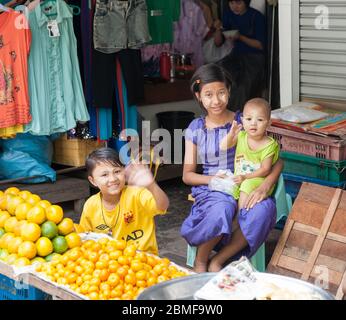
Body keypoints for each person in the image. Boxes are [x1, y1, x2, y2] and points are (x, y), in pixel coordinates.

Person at [181, 63, 282, 273]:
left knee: (261, 211)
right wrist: (214, 180)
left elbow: (276, 160)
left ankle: (219, 259)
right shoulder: (196, 129)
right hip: (213, 188)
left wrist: (265, 186)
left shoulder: (244, 120)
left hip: (248, 182)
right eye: (208, 94)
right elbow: (187, 175)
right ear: (198, 96)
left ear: (229, 90)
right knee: (223, 208)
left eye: (221, 93)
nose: (216, 100)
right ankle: (201, 260)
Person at [78, 147, 169, 255]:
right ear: (93, 180)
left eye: (117, 171)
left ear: (124, 171)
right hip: (109, 266)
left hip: (144, 263)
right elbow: (84, 238)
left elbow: (162, 206)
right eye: (104, 175)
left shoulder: (137, 194)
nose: (112, 179)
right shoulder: (90, 205)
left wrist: (151, 185)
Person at [220, 98, 279, 211]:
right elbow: (223, 147)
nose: (253, 123)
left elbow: (265, 170)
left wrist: (245, 177)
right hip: (240, 177)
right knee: (223, 188)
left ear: (269, 122)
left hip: (259, 180)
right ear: (242, 120)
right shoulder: (241, 136)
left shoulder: (269, 144)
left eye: (260, 120)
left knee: (246, 185)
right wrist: (231, 134)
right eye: (248, 119)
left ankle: (240, 218)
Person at [213, 0, 266, 111]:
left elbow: (260, 45)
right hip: (235, 57)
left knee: (242, 87)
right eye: (231, 3)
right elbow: (218, 43)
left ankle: (236, 116)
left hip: (254, 58)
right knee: (220, 77)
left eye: (238, 3)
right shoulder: (228, 14)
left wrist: (240, 37)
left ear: (246, 3)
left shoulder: (256, 17)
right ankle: (222, 113)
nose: (234, 7)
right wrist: (218, 28)